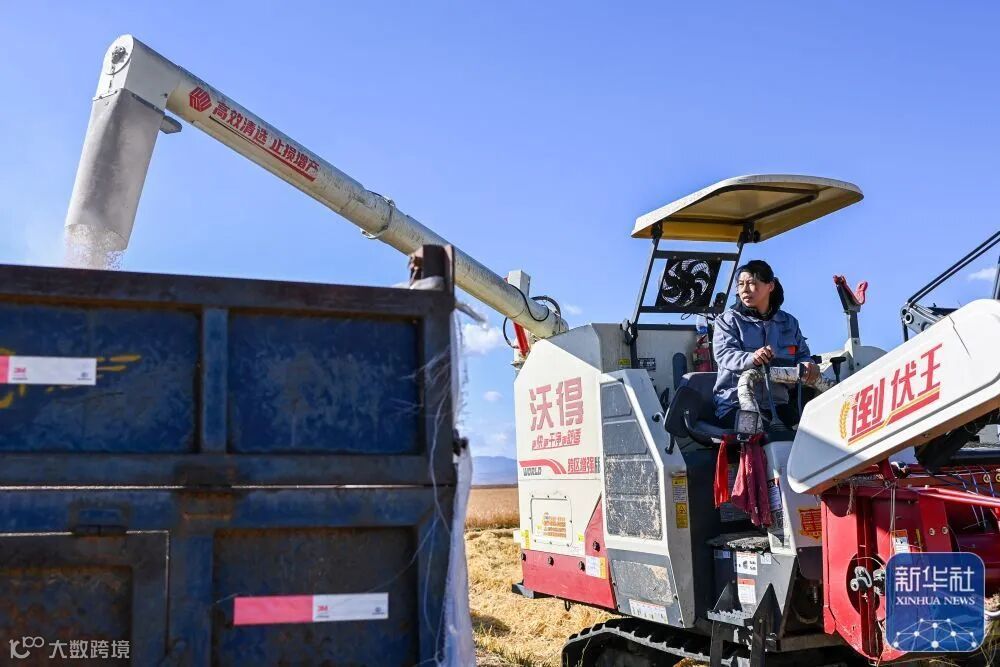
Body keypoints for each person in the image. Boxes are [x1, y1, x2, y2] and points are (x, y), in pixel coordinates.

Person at [712, 260, 820, 427]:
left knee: (806, 433)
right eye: (740, 284)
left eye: (751, 283)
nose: (745, 290)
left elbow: (802, 355)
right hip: (735, 404)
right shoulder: (727, 321)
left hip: (777, 404)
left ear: (770, 286)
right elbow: (724, 354)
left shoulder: (789, 323)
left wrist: (807, 364)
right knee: (759, 434)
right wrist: (752, 358)